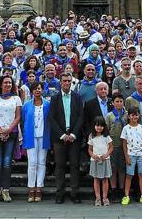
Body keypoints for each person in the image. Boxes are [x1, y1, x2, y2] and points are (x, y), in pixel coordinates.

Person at [48, 72, 84, 204]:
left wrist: (73, 134)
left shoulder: (77, 97)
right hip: (60, 138)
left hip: (74, 137)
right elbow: (51, 118)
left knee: (75, 166)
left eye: (69, 81)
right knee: (60, 166)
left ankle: (75, 193)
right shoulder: (55, 98)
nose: (67, 83)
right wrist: (62, 135)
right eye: (64, 81)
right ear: (60, 83)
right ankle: (60, 193)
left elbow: (81, 117)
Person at [0, 75, 22, 203]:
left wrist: (8, 130)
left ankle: (6, 191)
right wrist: (0, 130)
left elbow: (18, 117)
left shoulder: (16, 98)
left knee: (7, 162)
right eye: (5, 83)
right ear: (0, 85)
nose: (7, 85)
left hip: (11, 133)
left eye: (9, 83)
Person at [21, 81, 51, 203]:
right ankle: (31, 188)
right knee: (32, 162)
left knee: (42, 162)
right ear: (32, 91)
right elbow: (23, 120)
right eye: (35, 89)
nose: (37, 90)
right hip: (31, 136)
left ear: (43, 90)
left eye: (39, 88)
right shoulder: (27, 105)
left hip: (44, 136)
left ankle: (39, 188)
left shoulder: (48, 104)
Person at [120, 106, 142, 205]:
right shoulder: (125, 128)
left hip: (141, 154)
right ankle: (126, 196)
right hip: (131, 155)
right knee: (129, 175)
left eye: (136, 115)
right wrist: (126, 156)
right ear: (129, 116)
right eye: (132, 115)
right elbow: (124, 143)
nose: (135, 117)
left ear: (139, 116)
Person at [105, 92, 127, 201]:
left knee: (122, 168)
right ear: (113, 103)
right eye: (117, 101)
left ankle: (122, 189)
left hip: (125, 146)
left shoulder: (127, 114)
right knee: (113, 168)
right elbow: (106, 130)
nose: (119, 103)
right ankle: (113, 189)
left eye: (121, 101)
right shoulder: (109, 115)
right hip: (113, 145)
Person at [88, 116, 113, 206]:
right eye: (97, 125)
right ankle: (98, 198)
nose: (99, 128)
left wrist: (107, 154)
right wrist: (93, 156)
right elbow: (90, 149)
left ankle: (105, 198)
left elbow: (111, 147)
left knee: (105, 179)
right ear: (94, 126)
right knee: (96, 179)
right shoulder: (91, 136)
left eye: (101, 126)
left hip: (105, 160)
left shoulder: (107, 136)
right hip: (95, 161)